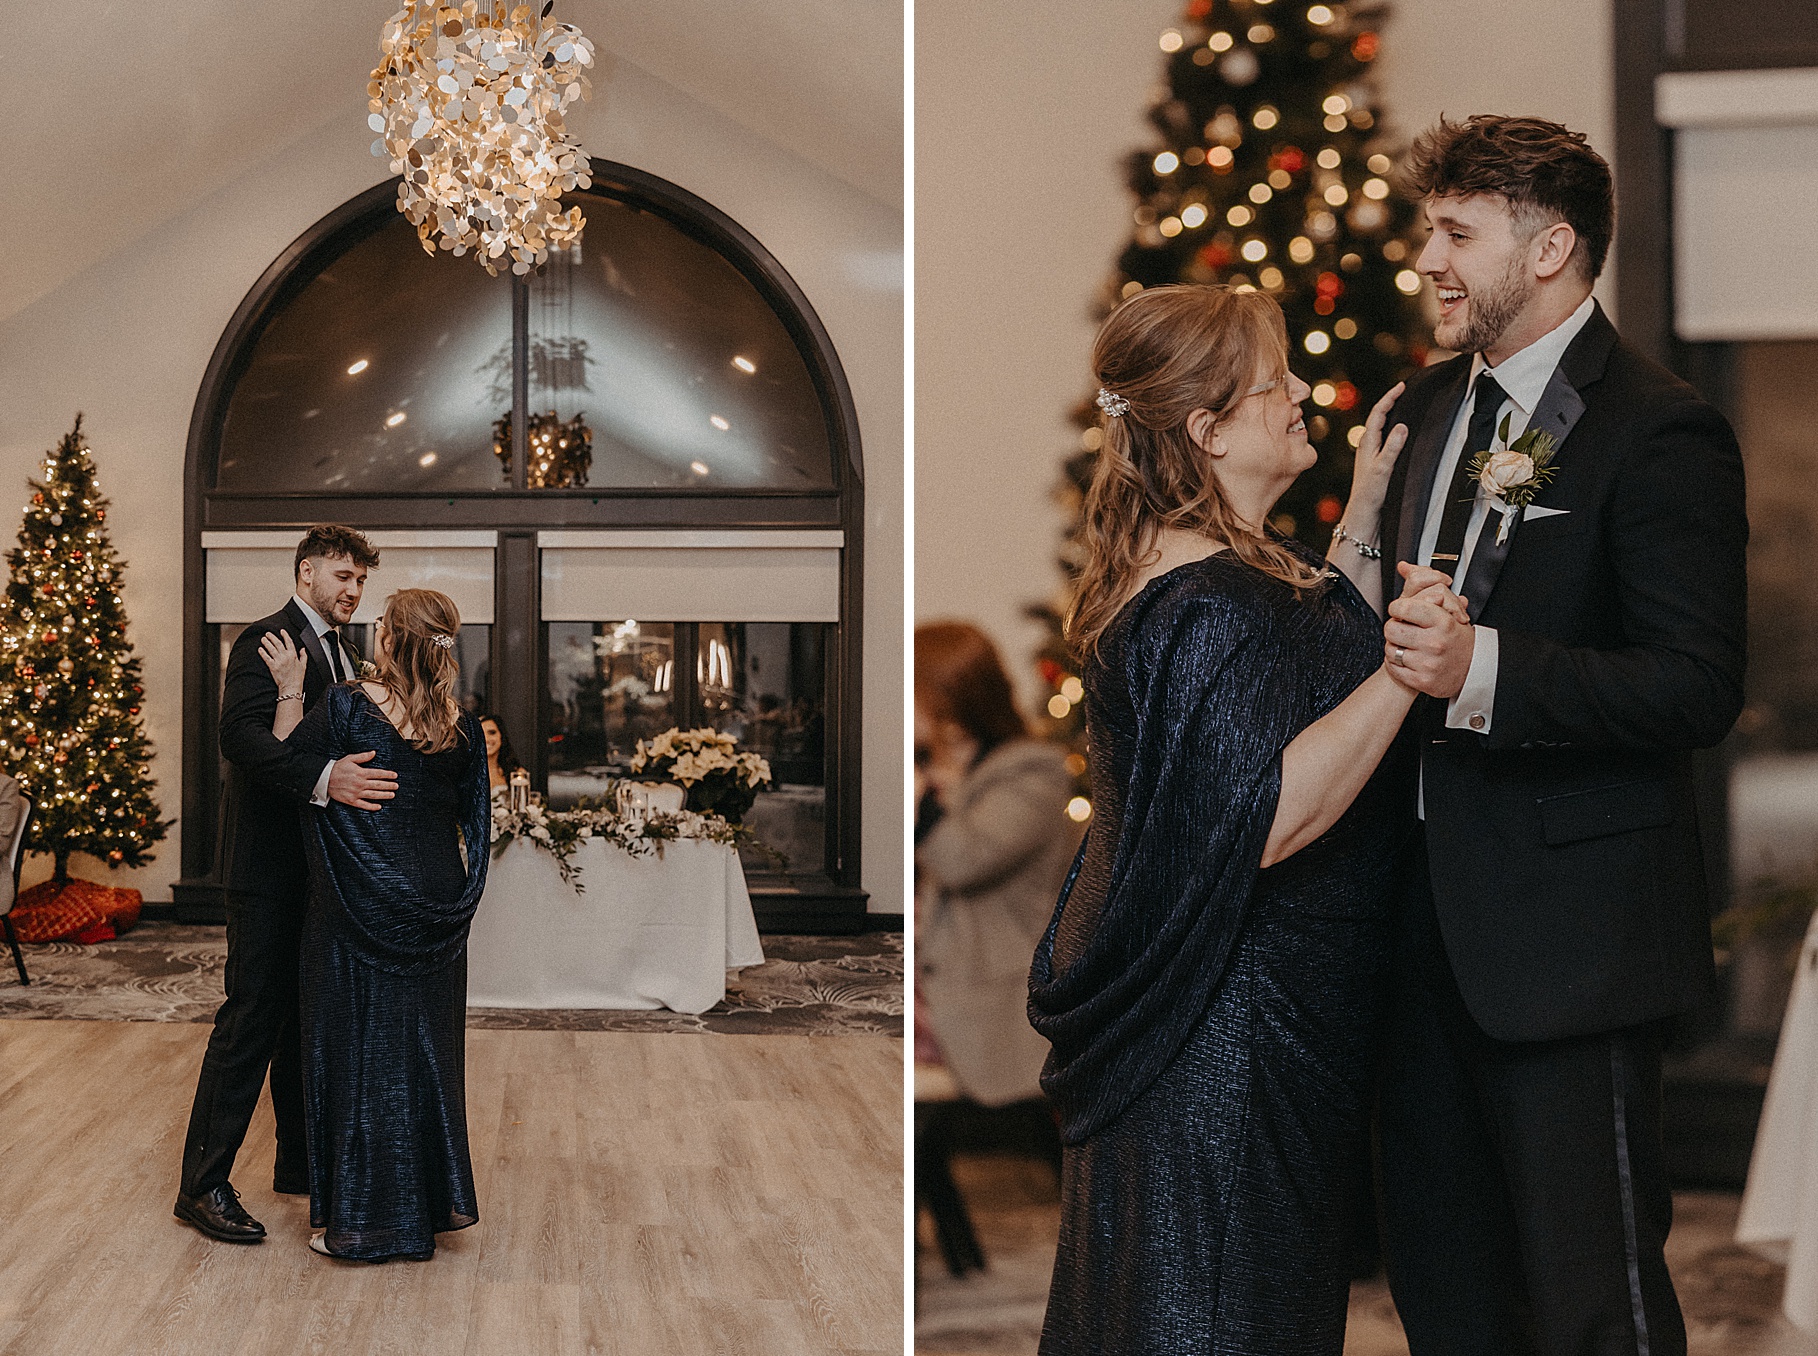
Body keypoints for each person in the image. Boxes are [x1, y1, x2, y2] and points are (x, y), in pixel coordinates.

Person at [1369, 116, 1746, 1355]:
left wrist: (1484, 670)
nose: (1427, 258)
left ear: (1550, 249)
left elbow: (1696, 686)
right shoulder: (1424, 410)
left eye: (1456, 233)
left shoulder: (1658, 427)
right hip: (1411, 940)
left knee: (1596, 1313)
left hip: (1572, 950)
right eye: (1430, 228)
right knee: (1447, 1300)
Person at [1028, 283, 1435, 1353]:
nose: (1301, 391)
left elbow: (1305, 666)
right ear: (1208, 431)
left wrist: (1359, 519)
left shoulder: (1211, 571)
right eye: (1274, 382)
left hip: (1229, 1014)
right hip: (1232, 1032)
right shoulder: (1209, 602)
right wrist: (1407, 674)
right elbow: (1270, 812)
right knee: (1223, 1313)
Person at [174, 525, 394, 1244]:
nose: (353, 591)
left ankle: (298, 1165)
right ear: (306, 573)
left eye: (360, 580)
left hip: (316, 872)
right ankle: (201, 1186)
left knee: (303, 1023)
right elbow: (239, 739)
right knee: (251, 1020)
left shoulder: (342, 652)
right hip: (266, 870)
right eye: (342, 576)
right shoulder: (264, 640)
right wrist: (326, 777)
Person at [261, 587, 490, 1261]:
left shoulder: (348, 707)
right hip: (435, 908)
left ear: (389, 639)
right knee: (426, 1061)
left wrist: (289, 689)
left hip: (352, 907)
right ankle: (425, 1210)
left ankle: (363, 1224)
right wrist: (458, 898)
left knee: (357, 1057)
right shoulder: (462, 727)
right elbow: (476, 823)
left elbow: (285, 763)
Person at [915, 620, 1081, 1110]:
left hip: (986, 995)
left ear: (946, 699)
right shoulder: (932, 766)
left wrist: (921, 802)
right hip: (927, 972)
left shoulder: (1032, 772)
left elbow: (962, 860)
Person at [478, 713, 522, 795]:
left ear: (501, 736)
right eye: (481, 734)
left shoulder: (517, 773)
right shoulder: (467, 772)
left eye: (492, 733)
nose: (486, 739)